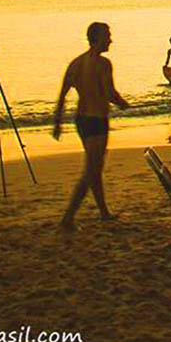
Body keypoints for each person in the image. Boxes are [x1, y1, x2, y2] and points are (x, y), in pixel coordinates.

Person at [53, 22, 130, 229]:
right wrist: (124, 104)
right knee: (91, 170)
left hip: (81, 121)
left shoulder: (75, 63)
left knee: (95, 168)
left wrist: (57, 123)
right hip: (96, 120)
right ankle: (68, 217)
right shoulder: (103, 63)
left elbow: (62, 95)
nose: (111, 40)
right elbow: (109, 92)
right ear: (97, 38)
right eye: (107, 36)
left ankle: (104, 212)